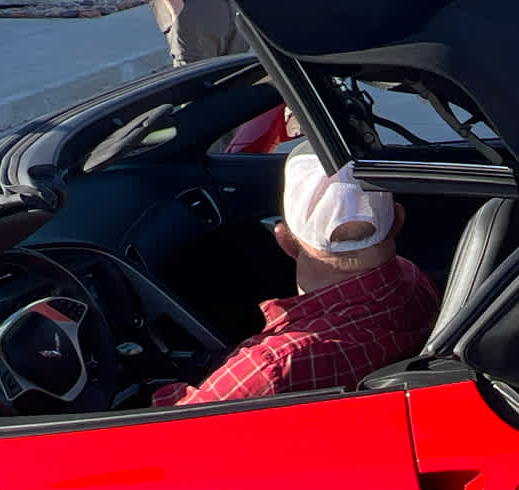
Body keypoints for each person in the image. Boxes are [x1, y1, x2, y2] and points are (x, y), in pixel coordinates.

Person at [151, 148, 440, 406]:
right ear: (398, 220)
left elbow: (160, 440)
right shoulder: (411, 279)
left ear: (285, 241)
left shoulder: (271, 368)